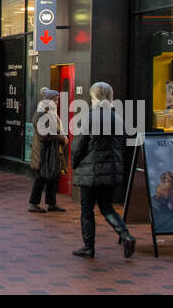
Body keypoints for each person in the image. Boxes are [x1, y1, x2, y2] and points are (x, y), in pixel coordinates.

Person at [71, 82, 136, 259]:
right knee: (107, 207)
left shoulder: (88, 117)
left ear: (94, 97)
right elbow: (122, 145)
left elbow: (78, 146)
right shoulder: (118, 118)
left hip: (90, 170)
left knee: (87, 210)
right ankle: (126, 235)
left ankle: (88, 247)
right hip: (110, 170)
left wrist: (74, 163)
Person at [28, 89, 66, 213]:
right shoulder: (41, 114)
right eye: (54, 99)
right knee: (41, 178)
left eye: (57, 100)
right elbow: (44, 135)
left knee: (52, 177)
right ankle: (33, 203)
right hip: (43, 151)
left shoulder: (51, 113)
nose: (56, 102)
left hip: (51, 151)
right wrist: (61, 138)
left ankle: (51, 203)